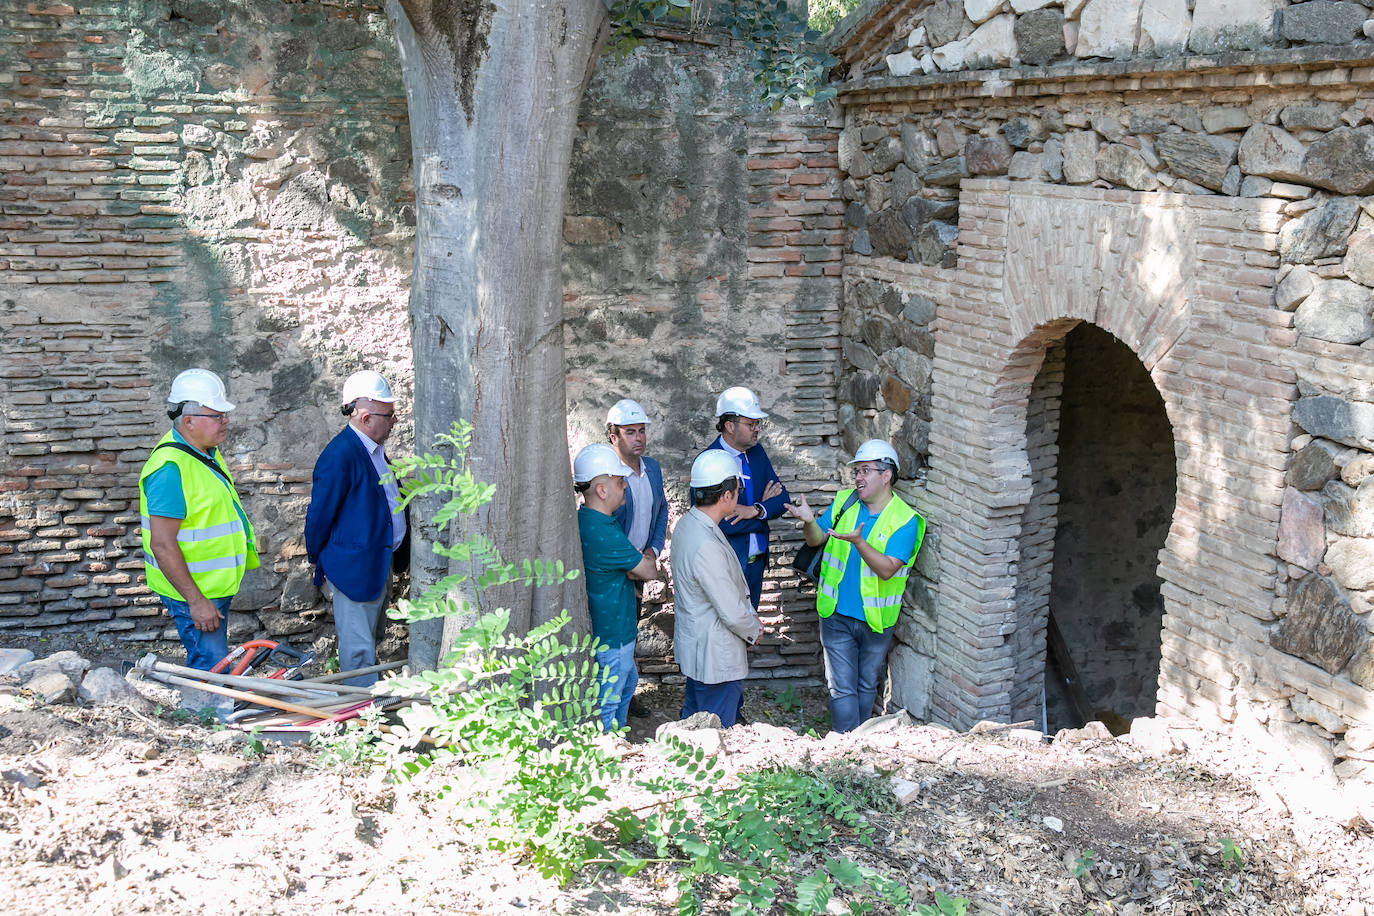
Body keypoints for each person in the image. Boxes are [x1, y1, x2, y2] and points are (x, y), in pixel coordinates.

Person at [783, 440, 925, 734]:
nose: (858, 477)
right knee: (842, 688)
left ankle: (857, 746)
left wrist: (859, 542)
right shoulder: (845, 502)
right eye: (856, 471)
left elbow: (887, 569)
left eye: (865, 471)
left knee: (864, 685)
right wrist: (809, 521)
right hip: (835, 613)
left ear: (886, 475)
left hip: (876, 622)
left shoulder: (906, 520)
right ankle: (846, 750)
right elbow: (816, 540)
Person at [138, 368, 258, 671]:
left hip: (211, 588)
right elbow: (163, 545)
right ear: (188, 421)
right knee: (213, 670)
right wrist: (195, 602)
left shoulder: (204, 454)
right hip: (195, 593)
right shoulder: (169, 468)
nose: (225, 420)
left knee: (217, 667)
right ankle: (210, 718)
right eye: (217, 415)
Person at [304, 371, 409, 687]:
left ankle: (368, 709)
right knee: (359, 651)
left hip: (376, 565)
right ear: (365, 418)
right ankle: (361, 723)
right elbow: (319, 516)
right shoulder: (340, 455)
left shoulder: (373, 449)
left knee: (370, 640)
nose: (394, 422)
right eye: (389, 416)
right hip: (354, 570)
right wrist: (319, 558)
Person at [672, 450, 762, 728]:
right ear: (726, 496)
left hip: (699, 651)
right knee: (716, 735)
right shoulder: (706, 542)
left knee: (692, 728)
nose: (739, 494)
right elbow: (731, 611)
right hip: (715, 658)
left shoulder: (689, 524)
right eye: (738, 489)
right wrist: (753, 630)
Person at [574, 443, 660, 732]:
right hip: (612, 634)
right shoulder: (601, 530)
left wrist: (632, 566)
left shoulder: (591, 521)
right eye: (620, 481)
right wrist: (642, 562)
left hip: (614, 628)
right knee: (610, 698)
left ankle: (617, 739)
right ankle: (606, 751)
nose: (625, 486)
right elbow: (648, 570)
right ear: (601, 490)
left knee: (627, 684)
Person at [695, 386, 789, 609]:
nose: (757, 429)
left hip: (756, 562)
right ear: (729, 425)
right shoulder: (708, 462)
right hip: (728, 562)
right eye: (751, 424)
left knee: (749, 628)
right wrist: (763, 517)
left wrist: (754, 510)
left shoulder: (757, 453)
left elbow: (783, 498)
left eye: (758, 424)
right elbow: (720, 523)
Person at [606, 397, 669, 718]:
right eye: (630, 432)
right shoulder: (608, 475)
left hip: (640, 567)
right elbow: (603, 521)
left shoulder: (653, 469)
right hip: (613, 570)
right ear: (613, 436)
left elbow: (662, 511)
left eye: (641, 431)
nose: (639, 438)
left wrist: (653, 551)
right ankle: (609, 700)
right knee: (612, 636)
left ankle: (626, 697)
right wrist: (627, 558)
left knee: (629, 631)